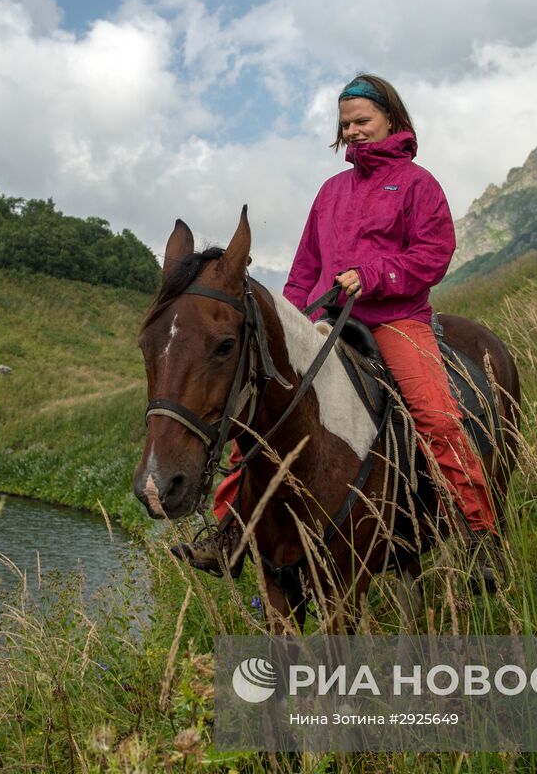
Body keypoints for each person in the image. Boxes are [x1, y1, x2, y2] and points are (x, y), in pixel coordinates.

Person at [174, 73, 500, 588]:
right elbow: (305, 268)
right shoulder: (330, 191)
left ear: (391, 118)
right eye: (344, 123)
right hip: (327, 321)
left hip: (395, 317)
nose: (352, 131)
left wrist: (374, 275)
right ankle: (231, 530)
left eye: (362, 121)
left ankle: (480, 536)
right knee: (260, 408)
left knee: (437, 414)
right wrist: (295, 322)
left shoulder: (418, 184)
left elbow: (433, 255)